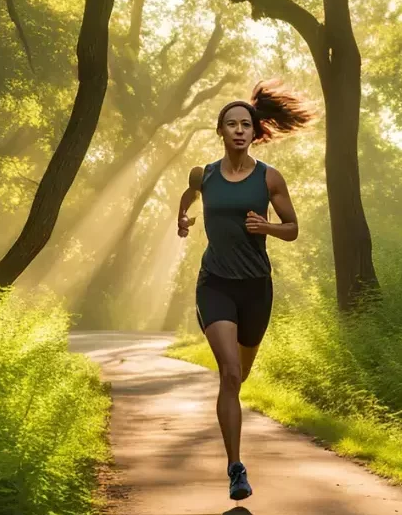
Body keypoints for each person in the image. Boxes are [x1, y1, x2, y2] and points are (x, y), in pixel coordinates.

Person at [176, 80, 313, 501]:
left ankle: (229, 412)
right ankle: (236, 468)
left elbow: (292, 229)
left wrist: (266, 226)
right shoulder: (206, 174)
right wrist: (182, 219)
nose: (238, 130)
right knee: (230, 373)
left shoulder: (270, 178)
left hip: (256, 289)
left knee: (241, 377)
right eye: (231, 124)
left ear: (255, 132)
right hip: (214, 283)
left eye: (245, 125)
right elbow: (188, 197)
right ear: (220, 131)